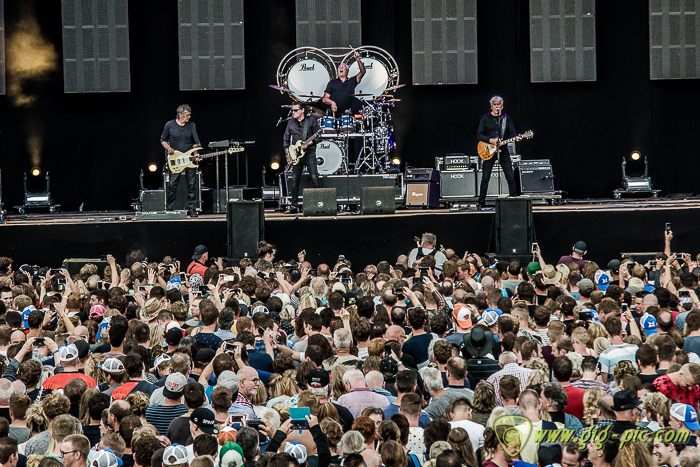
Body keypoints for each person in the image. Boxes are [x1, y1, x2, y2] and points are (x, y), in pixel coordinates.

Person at [476, 95, 521, 209]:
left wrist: (516, 137)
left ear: (502, 106)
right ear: (491, 106)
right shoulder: (485, 118)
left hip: (503, 150)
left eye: (499, 105)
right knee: (485, 177)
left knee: (510, 175)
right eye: (495, 105)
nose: (497, 107)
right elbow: (479, 135)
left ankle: (514, 200)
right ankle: (481, 202)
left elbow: (511, 132)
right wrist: (489, 140)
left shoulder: (506, 118)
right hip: (489, 150)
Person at [161, 104, 202, 217]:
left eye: (189, 115)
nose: (189, 117)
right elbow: (163, 140)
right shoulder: (169, 125)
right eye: (187, 115)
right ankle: (169, 208)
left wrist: (196, 154)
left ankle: (192, 208)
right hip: (176, 159)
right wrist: (168, 148)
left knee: (191, 185)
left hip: (189, 159)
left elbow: (195, 143)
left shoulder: (191, 125)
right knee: (173, 185)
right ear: (180, 115)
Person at [283, 102, 322, 215]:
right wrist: (288, 155)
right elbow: (285, 140)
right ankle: (293, 206)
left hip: (309, 153)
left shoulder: (311, 121)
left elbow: (319, 137)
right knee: (295, 180)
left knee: (314, 178)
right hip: (296, 154)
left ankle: (320, 203)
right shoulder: (291, 122)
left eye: (295, 110)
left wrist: (308, 144)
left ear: (302, 110)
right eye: (292, 110)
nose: (293, 112)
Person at [322, 50, 367, 116]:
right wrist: (332, 103)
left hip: (348, 115)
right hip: (334, 115)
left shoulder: (351, 82)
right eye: (339, 67)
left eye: (343, 67)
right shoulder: (332, 82)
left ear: (347, 71)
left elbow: (362, 72)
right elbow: (324, 99)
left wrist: (358, 59)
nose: (340, 68)